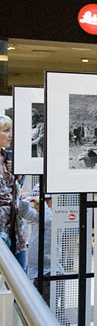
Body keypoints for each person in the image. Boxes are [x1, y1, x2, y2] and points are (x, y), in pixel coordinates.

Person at [0, 115, 26, 268]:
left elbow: (16, 186)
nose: (11, 135)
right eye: (6, 130)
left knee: (20, 275)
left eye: (11, 130)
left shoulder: (9, 157)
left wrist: (19, 176)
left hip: (15, 228)